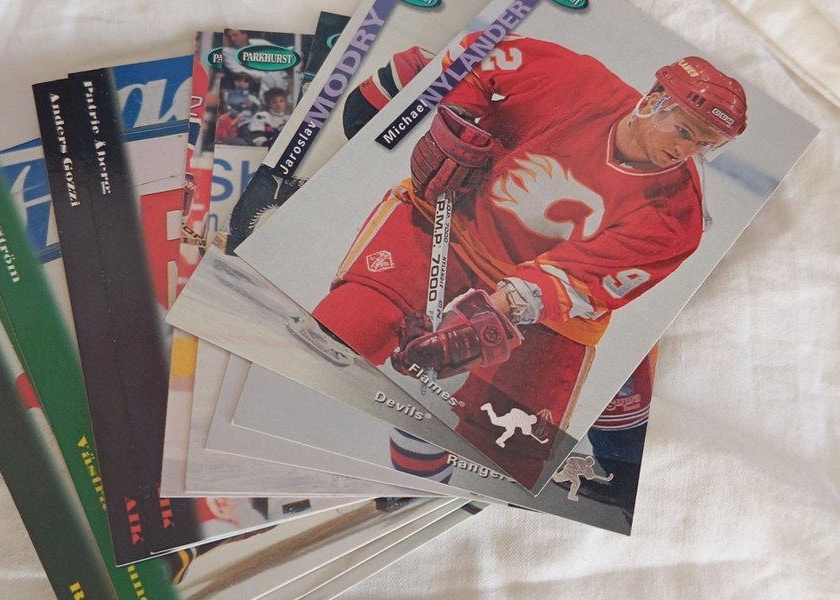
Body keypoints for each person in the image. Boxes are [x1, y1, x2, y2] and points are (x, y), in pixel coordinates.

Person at [312, 34, 747, 487]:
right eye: (683, 131)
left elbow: (573, 282)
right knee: (349, 326)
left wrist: (479, 321)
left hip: (549, 312)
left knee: (505, 463)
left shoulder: (677, 216)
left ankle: (420, 494)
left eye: (704, 144)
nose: (685, 151)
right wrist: (458, 113)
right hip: (458, 223)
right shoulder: (576, 82)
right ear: (653, 102)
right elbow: (478, 50)